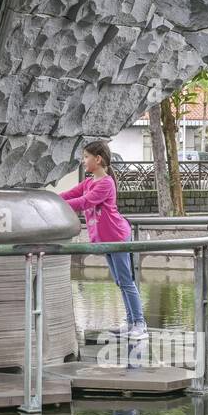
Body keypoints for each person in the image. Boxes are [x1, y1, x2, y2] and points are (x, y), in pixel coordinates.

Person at [61, 140, 146, 340]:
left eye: (86, 157)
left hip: (117, 237)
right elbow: (71, 193)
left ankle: (140, 324)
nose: (83, 161)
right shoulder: (89, 182)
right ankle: (131, 322)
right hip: (105, 240)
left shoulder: (106, 183)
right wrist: (52, 199)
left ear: (98, 159)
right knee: (119, 281)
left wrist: (60, 205)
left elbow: (83, 202)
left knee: (126, 282)